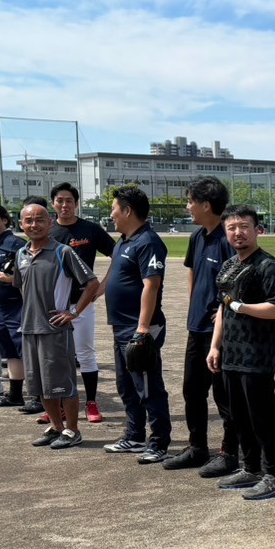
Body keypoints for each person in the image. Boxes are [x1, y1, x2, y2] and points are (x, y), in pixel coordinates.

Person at [207, 206, 275, 501]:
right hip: (231, 354)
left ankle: (273, 475)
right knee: (238, 416)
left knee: (262, 416)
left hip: (257, 355)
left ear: (257, 230)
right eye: (231, 228)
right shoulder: (229, 264)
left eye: (244, 226)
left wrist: (242, 307)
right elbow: (221, 307)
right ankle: (251, 468)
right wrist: (216, 345)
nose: (237, 233)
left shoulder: (267, 266)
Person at [161, 177, 239, 477]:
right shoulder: (197, 237)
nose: (188, 206)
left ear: (207, 205)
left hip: (220, 332)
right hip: (197, 328)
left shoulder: (227, 238)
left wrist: (218, 322)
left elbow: (234, 287)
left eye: (191, 200)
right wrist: (195, 308)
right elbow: (193, 276)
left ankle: (229, 453)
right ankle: (197, 448)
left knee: (224, 395)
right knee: (192, 390)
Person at [14, 200, 100, 449]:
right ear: (21, 225)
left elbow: (91, 283)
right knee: (40, 385)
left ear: (50, 223)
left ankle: (73, 430)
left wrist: (73, 312)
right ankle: (56, 427)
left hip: (55, 329)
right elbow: (20, 285)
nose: (34, 224)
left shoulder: (63, 252)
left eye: (40, 219)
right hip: (29, 329)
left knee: (63, 384)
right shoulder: (21, 254)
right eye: (28, 220)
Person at [101, 185, 172, 462]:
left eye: (115, 208)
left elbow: (151, 285)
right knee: (126, 386)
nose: (112, 213)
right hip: (121, 327)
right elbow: (110, 281)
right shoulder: (123, 241)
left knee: (147, 386)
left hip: (140, 328)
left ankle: (159, 441)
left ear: (128, 211)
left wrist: (142, 329)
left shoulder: (149, 242)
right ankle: (134, 436)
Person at [50, 182, 116, 424]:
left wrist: (102, 287)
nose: (64, 205)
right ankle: (58, 406)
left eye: (69, 200)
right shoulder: (48, 232)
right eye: (60, 200)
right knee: (56, 357)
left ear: (76, 203)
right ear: (53, 203)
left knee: (85, 353)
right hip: (54, 305)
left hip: (82, 303)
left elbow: (117, 254)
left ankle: (90, 402)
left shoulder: (90, 229)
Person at [0, 203, 40, 413]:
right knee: (11, 352)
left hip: (18, 306)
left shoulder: (16, 244)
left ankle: (38, 396)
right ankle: (15, 395)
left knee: (27, 353)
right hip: (1, 307)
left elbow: (34, 275)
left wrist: (11, 279)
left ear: (5, 220)